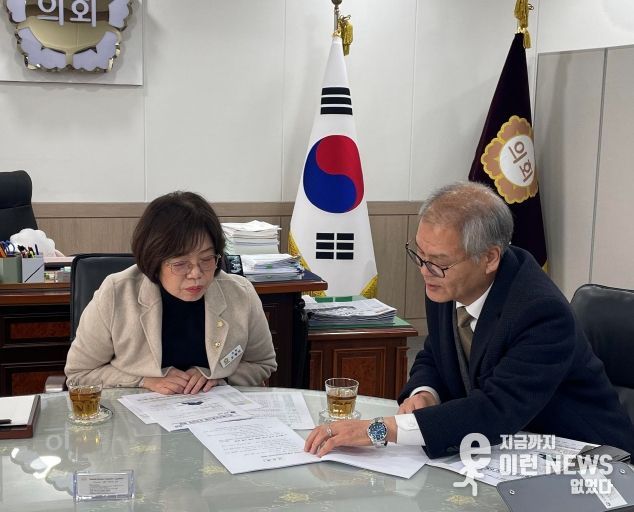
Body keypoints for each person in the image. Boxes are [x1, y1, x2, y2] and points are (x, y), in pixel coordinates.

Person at [305, 181, 634, 458]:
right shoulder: (448, 279)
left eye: (438, 262)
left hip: (585, 457)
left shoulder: (541, 312)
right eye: (420, 255)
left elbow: (495, 409)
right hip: (505, 447)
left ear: (489, 257)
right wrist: (426, 393)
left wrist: (381, 429)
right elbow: (435, 353)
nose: (424, 271)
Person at [65, 191, 277, 394]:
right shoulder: (116, 293)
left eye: (206, 259)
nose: (196, 274)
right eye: (180, 263)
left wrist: (219, 377)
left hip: (216, 412)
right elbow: (80, 373)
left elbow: (262, 363)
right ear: (154, 261)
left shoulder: (240, 294)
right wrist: (143, 381)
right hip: (139, 413)